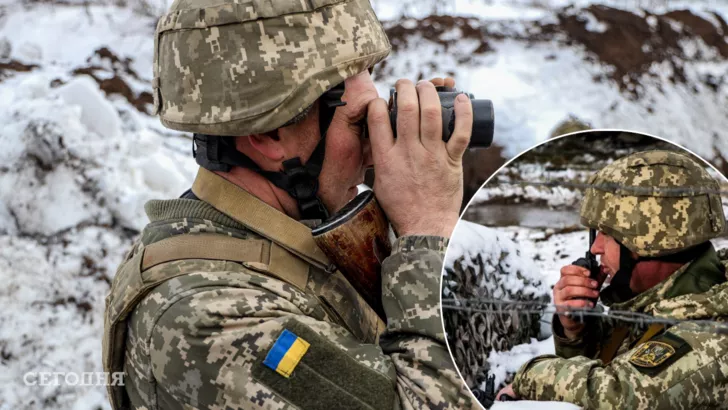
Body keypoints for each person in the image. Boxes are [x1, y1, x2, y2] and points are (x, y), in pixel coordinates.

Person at [101, 0, 479, 409]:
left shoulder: (287, 239)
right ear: (270, 136)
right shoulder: (210, 319)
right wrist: (426, 226)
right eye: (358, 123)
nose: (373, 153)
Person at [497, 150, 728, 409]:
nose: (595, 247)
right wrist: (577, 330)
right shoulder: (659, 302)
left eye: (607, 235)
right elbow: (610, 365)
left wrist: (528, 377)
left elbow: (618, 395)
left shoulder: (712, 335)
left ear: (649, 245)